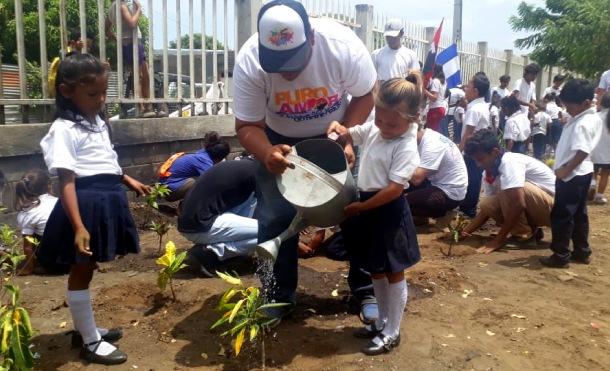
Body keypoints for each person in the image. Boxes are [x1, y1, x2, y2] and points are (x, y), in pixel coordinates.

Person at [233, 0, 377, 324]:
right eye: (278, 64)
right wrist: (266, 152)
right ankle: (277, 297)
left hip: (336, 135)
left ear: (311, 37)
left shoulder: (341, 46)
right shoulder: (250, 60)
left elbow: (367, 93)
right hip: (278, 141)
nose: (288, 71)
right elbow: (246, 126)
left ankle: (366, 289)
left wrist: (348, 132)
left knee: (356, 211)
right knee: (274, 217)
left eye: (294, 61)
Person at [38, 53, 151, 365]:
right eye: (92, 94)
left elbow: (102, 161)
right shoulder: (63, 129)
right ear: (66, 92)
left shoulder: (97, 122)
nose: (100, 100)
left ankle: (84, 328)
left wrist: (127, 179)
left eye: (104, 93)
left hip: (107, 199)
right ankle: (89, 341)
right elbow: (67, 180)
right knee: (82, 270)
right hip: (85, 206)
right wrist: (78, 226)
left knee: (87, 270)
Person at [327, 76, 421, 356]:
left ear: (412, 118)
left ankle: (392, 331)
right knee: (376, 267)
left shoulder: (405, 145)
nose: (384, 128)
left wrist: (361, 208)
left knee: (393, 271)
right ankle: (381, 320)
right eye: (380, 120)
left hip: (388, 211)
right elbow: (351, 133)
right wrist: (338, 129)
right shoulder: (377, 129)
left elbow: (394, 189)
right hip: (367, 206)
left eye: (392, 124)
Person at [460, 129, 556, 253]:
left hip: (557, 211)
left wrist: (499, 239)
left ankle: (523, 236)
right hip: (541, 207)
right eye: (475, 160)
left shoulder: (509, 162)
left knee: (511, 191)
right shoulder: (488, 172)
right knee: (487, 204)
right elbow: (487, 211)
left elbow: (518, 204)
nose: (478, 164)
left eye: (481, 159)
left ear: (494, 152)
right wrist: (464, 232)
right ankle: (530, 231)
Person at [541, 79, 603, 268]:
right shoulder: (589, 118)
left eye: (570, 106)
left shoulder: (582, 123)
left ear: (585, 103)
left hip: (571, 175)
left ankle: (560, 254)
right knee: (578, 214)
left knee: (562, 215)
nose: (567, 109)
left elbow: (582, 150)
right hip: (582, 173)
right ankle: (581, 251)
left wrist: (564, 171)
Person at [178, 159, 257, 276]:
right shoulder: (258, 174)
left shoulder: (246, 168)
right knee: (273, 231)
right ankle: (211, 253)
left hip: (193, 222)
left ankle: (231, 254)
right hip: (201, 226)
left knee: (253, 199)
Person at [107, 0, 157, 118]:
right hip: (132, 43)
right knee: (141, 76)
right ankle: (143, 108)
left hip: (126, 44)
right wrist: (139, 9)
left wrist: (118, 39)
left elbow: (106, 30)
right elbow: (132, 23)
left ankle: (145, 106)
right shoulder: (121, 5)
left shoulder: (110, 10)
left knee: (143, 75)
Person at [407, 124, 467, 220]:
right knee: (401, 190)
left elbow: (416, 179)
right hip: (439, 182)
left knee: (401, 202)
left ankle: (439, 213)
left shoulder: (432, 144)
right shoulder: (427, 136)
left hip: (450, 193)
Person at [158, 132, 230, 202]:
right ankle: (186, 209)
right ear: (219, 158)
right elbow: (213, 183)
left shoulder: (203, 153)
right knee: (204, 186)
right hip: (170, 191)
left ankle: (185, 205)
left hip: (166, 186)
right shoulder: (204, 161)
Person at [459, 73, 491, 218]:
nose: (466, 88)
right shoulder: (483, 106)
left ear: (476, 91)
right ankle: (470, 207)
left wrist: (459, 150)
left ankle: (468, 209)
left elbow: (468, 133)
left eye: (469, 86)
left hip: (472, 149)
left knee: (470, 178)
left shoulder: (473, 109)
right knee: (475, 178)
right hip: (480, 148)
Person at [14, 169, 58, 275]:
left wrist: (28, 269)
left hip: (55, 264)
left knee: (31, 235)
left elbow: (28, 247)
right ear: (49, 185)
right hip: (75, 259)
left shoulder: (27, 213)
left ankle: (43, 266)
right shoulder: (60, 201)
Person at [590, 92, 610, 204]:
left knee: (593, 171)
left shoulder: (595, 116)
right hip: (608, 152)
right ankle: (599, 196)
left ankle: (592, 184)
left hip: (594, 150)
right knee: (605, 174)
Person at [425, 65, 447, 133]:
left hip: (435, 109)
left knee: (431, 132)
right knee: (436, 131)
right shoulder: (444, 82)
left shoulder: (435, 81)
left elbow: (434, 98)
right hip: (441, 108)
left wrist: (425, 91)